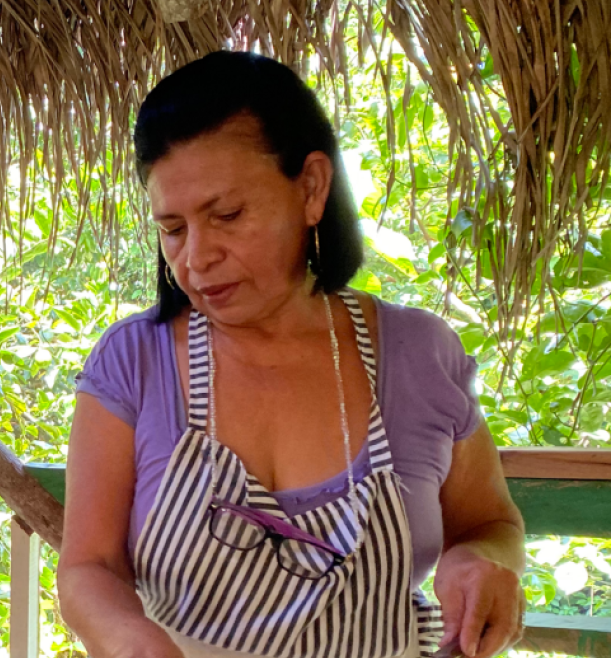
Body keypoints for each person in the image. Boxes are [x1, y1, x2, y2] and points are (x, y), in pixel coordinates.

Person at [57, 51, 526, 658]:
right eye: (173, 228)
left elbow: (490, 524)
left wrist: (479, 563)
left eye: (227, 215)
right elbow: (87, 567)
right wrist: (129, 639)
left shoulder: (420, 355)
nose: (196, 258)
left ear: (311, 189)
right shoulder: (134, 363)